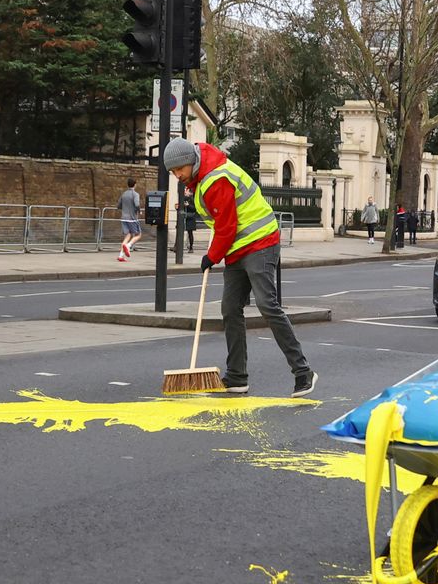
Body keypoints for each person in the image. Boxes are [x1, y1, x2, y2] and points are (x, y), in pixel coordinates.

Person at [163, 137, 318, 397]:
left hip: (260, 242)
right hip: (236, 248)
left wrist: (211, 256)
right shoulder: (199, 177)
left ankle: (303, 372)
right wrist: (218, 252)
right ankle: (237, 377)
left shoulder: (216, 179)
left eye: (179, 169)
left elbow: (226, 226)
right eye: (173, 172)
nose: (177, 175)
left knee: (267, 305)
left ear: (190, 162)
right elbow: (222, 224)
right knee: (230, 308)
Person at [116, 178, 142, 261]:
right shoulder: (135, 194)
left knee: (127, 235)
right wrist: (139, 211)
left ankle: (121, 255)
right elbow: (137, 204)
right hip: (132, 218)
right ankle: (128, 246)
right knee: (138, 234)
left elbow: (119, 205)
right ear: (135, 184)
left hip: (124, 218)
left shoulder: (123, 194)